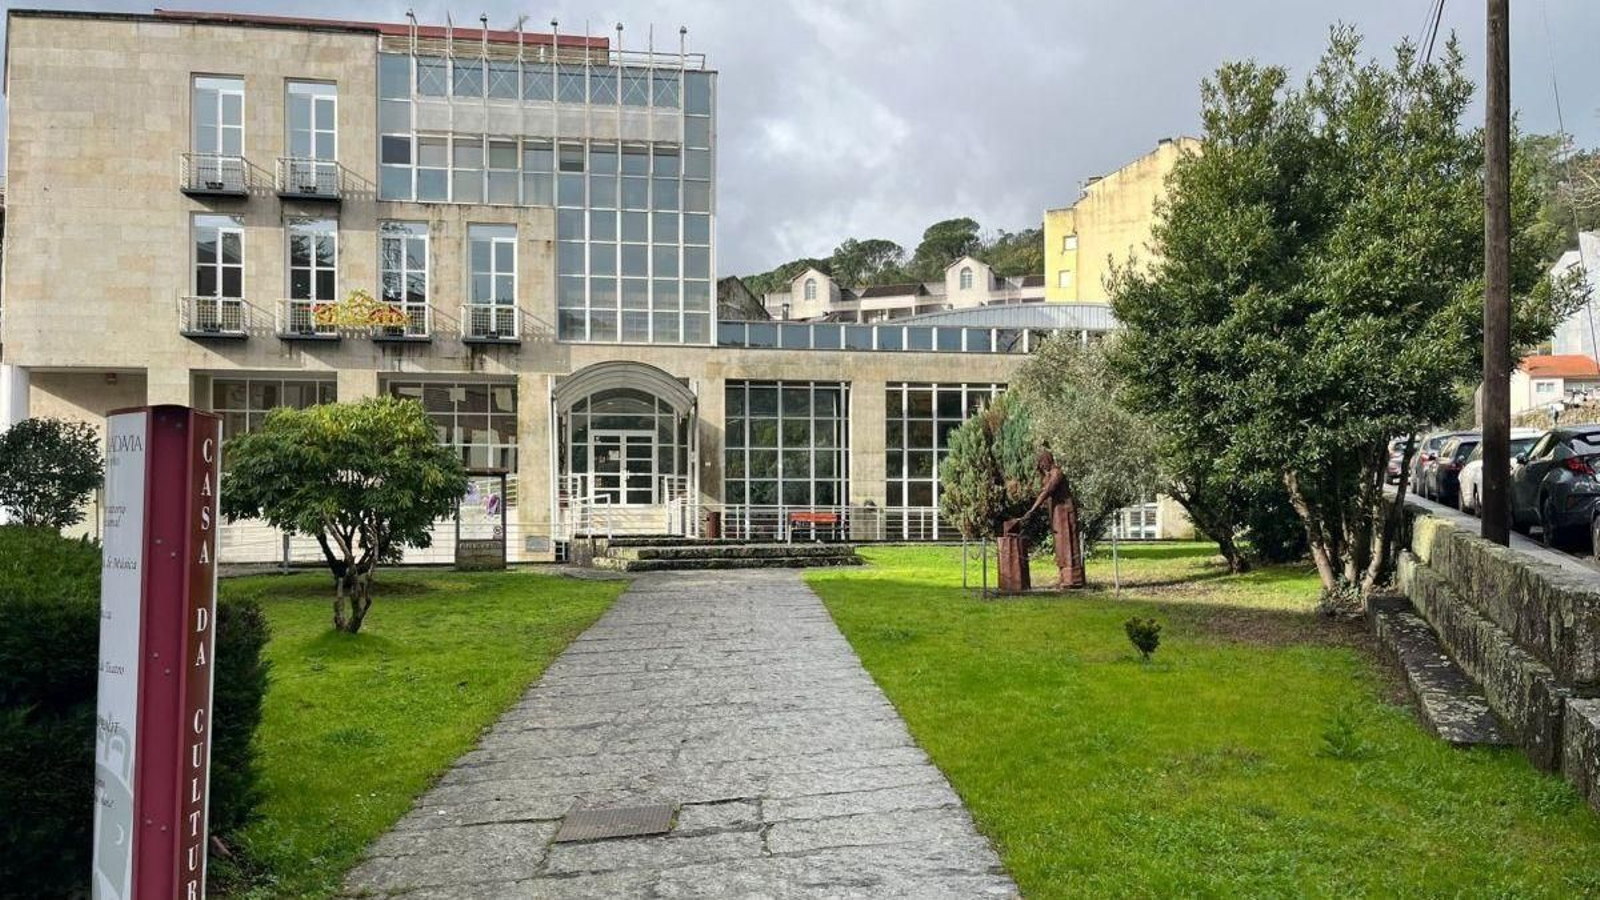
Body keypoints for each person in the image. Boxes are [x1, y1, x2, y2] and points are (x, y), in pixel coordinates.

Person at [1005, 443, 1087, 589]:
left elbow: (1046, 492)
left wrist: (1031, 510)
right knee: (1060, 545)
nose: (1042, 467)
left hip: (1065, 514)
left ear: (1048, 460)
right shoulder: (1048, 475)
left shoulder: (1057, 474)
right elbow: (1043, 489)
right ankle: (1064, 576)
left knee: (1067, 544)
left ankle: (1073, 579)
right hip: (1056, 515)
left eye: (1042, 463)